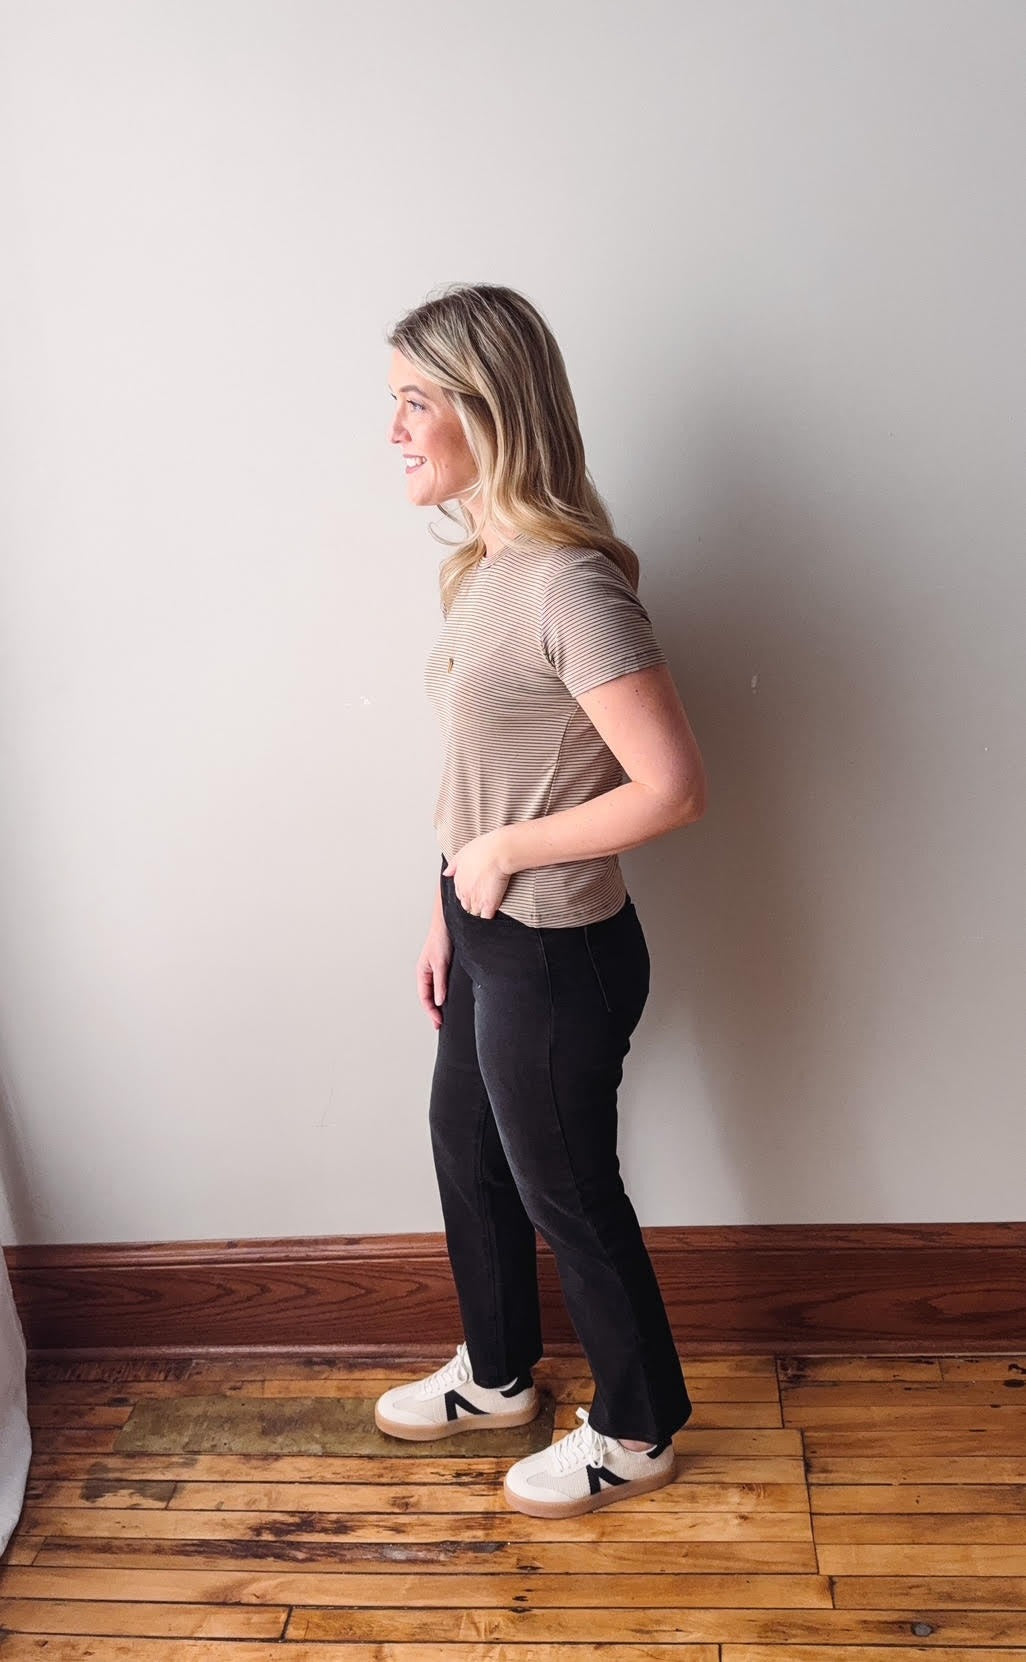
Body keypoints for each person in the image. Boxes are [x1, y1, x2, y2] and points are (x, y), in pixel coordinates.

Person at [373, 282, 707, 1520]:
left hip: (561, 951)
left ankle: (636, 1426)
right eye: (392, 402)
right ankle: (499, 1374)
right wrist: (447, 909)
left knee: (566, 1188)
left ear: (488, 407)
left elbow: (673, 789)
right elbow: (487, 777)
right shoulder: (483, 570)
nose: (395, 430)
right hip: (486, 925)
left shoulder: (571, 584)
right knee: (465, 1148)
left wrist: (503, 854)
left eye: (416, 400)